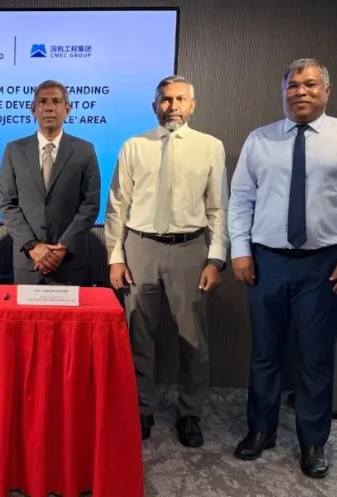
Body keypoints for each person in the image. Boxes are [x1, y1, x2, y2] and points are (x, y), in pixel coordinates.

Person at [228, 58, 337, 477]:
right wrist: (240, 250)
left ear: (326, 91)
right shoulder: (260, 139)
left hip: (323, 264)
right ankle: (260, 430)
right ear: (283, 92)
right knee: (264, 353)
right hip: (266, 261)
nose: (300, 92)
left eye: (310, 84)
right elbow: (240, 200)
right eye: (293, 86)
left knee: (315, 357)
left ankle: (313, 441)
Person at [105, 75, 229, 446]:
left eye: (179, 99)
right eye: (165, 99)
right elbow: (117, 206)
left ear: (192, 105)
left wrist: (216, 258)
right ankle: (141, 408)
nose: (172, 106)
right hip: (140, 247)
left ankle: (190, 414)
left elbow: (218, 208)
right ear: (154, 105)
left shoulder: (210, 147)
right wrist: (115, 257)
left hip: (190, 250)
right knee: (138, 335)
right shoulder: (134, 146)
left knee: (192, 338)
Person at [0, 80, 100, 285]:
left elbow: (90, 204)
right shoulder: (14, 150)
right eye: (43, 102)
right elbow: (7, 203)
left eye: (56, 101)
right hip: (29, 262)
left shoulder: (85, 150)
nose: (49, 107)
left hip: (70, 262)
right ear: (33, 109)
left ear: (67, 109)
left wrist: (63, 247)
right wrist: (32, 246)